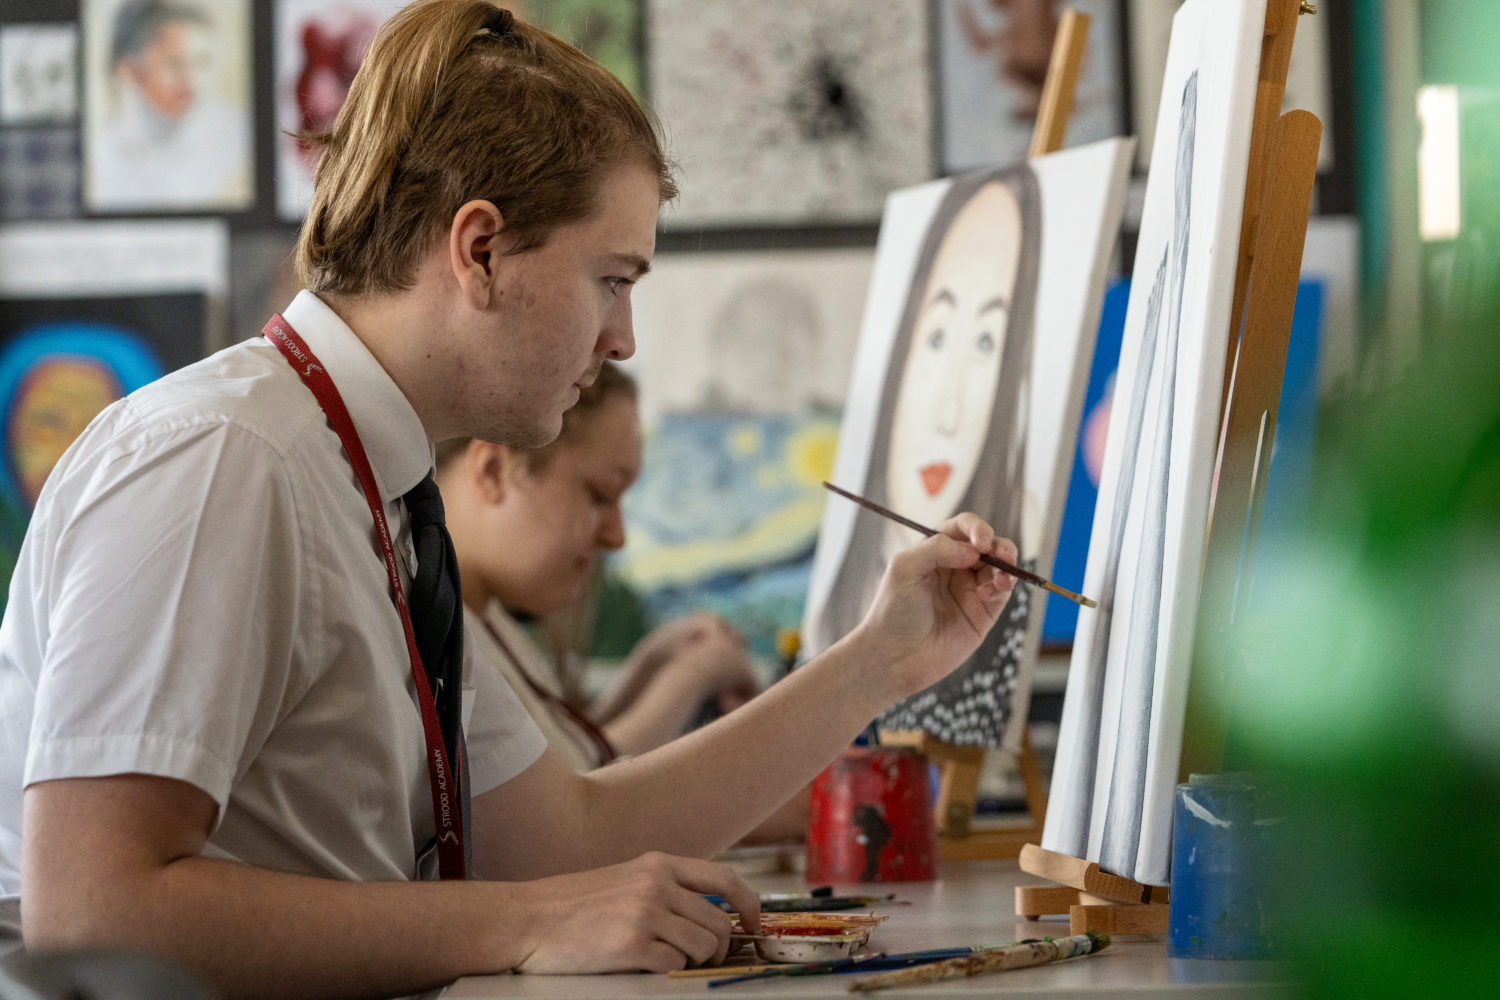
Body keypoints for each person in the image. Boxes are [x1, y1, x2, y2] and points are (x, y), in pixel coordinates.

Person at [0, 4, 1019, 997]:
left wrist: (884, 658)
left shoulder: (372, 487)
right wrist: (528, 923)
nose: (623, 338)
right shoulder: (225, 458)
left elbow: (570, 841)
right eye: (611, 279)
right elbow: (95, 914)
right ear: (479, 250)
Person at [803, 163, 1043, 748]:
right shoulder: (841, 592)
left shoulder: (1009, 565)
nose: (949, 413)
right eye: (936, 336)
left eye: (987, 343)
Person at [434, 361, 761, 772]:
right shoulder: (436, 637)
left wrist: (650, 664)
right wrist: (692, 676)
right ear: (493, 470)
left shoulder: (486, 617)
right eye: (600, 495)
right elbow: (575, 798)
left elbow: (564, 753)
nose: (616, 537)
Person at [87, 0, 252, 210]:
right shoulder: (104, 157)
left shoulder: (239, 135)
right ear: (128, 70)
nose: (191, 81)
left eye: (202, 61)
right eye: (173, 64)